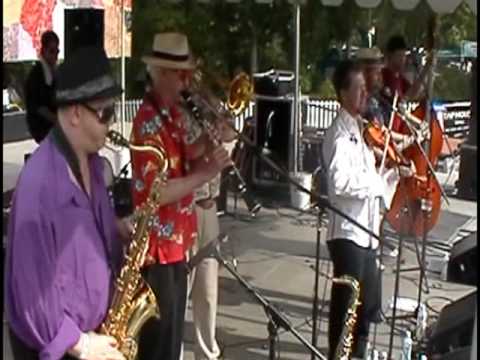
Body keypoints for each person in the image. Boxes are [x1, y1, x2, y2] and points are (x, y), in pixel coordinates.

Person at [5, 46, 133, 360]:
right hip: (63, 348)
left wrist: (119, 233)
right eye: (106, 113)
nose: (111, 122)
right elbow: (32, 299)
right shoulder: (40, 188)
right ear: (75, 113)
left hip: (95, 332)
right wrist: (84, 345)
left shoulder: (92, 164)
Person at [131, 32, 230, 360]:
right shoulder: (148, 121)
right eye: (179, 73)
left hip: (178, 246)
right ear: (160, 73)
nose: (186, 79)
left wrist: (217, 141)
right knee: (159, 347)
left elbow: (193, 154)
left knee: (172, 345)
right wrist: (204, 173)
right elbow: (155, 193)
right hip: (156, 253)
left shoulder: (174, 114)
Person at [322, 60, 414, 360]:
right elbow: (339, 183)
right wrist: (375, 182)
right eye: (359, 89)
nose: (365, 95)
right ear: (343, 93)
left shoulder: (360, 133)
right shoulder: (338, 133)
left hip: (367, 234)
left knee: (364, 313)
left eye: (365, 88)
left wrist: (394, 175)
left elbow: (375, 186)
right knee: (346, 313)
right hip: (348, 234)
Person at [183, 89, 238, 360]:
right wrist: (206, 138)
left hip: (210, 208)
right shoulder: (177, 113)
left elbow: (230, 137)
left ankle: (207, 354)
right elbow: (185, 154)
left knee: (207, 293)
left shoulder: (210, 106)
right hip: (186, 208)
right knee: (181, 291)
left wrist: (224, 119)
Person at [356, 47, 417, 157]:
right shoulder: (363, 104)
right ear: (366, 73)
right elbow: (376, 137)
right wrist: (391, 152)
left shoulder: (377, 99)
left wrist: (406, 138)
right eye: (377, 73)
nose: (380, 77)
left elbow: (382, 131)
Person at [381, 35, 432, 133]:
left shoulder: (399, 78)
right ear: (390, 56)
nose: (403, 60)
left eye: (404, 56)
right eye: (400, 56)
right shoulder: (385, 76)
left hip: (399, 129)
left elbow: (413, 93)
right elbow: (402, 102)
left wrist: (425, 70)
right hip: (388, 130)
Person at [25, 30, 59, 143]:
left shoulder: (53, 73)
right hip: (42, 127)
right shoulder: (37, 74)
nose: (55, 56)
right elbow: (39, 107)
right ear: (43, 51)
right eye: (52, 51)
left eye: (57, 52)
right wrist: (59, 121)